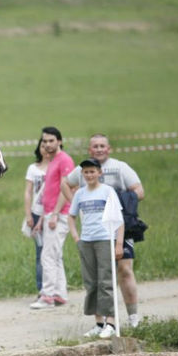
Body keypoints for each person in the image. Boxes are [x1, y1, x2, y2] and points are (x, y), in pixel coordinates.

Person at [61, 134, 145, 327]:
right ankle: (102, 322)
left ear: (109, 148)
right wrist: (77, 204)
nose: (99, 149)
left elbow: (140, 191)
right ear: (90, 150)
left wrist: (118, 201)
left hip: (120, 226)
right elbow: (65, 183)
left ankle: (133, 316)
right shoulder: (82, 170)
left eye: (102, 146)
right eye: (95, 146)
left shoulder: (120, 167)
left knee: (124, 270)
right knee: (99, 277)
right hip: (95, 231)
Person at [67, 158, 125, 339]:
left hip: (105, 240)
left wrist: (118, 243)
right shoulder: (80, 194)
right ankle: (99, 323)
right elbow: (71, 216)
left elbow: (118, 219)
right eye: (86, 172)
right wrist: (76, 237)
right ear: (82, 175)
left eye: (92, 171)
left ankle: (112, 323)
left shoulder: (108, 191)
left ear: (99, 173)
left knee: (106, 282)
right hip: (87, 241)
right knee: (91, 283)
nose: (89, 175)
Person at [30, 127, 75, 309]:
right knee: (55, 256)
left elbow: (66, 188)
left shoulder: (64, 160)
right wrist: (42, 217)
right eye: (45, 141)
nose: (47, 144)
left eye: (51, 141)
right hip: (49, 213)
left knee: (47, 256)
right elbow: (48, 191)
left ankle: (47, 295)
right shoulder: (53, 161)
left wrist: (55, 213)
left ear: (59, 141)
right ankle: (59, 293)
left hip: (60, 213)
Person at [22, 138, 50, 294]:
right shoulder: (33, 168)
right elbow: (28, 192)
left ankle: (54, 287)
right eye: (42, 145)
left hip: (52, 214)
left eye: (48, 145)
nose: (45, 148)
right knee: (40, 252)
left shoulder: (56, 166)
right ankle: (42, 289)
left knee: (53, 252)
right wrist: (28, 215)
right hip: (36, 213)